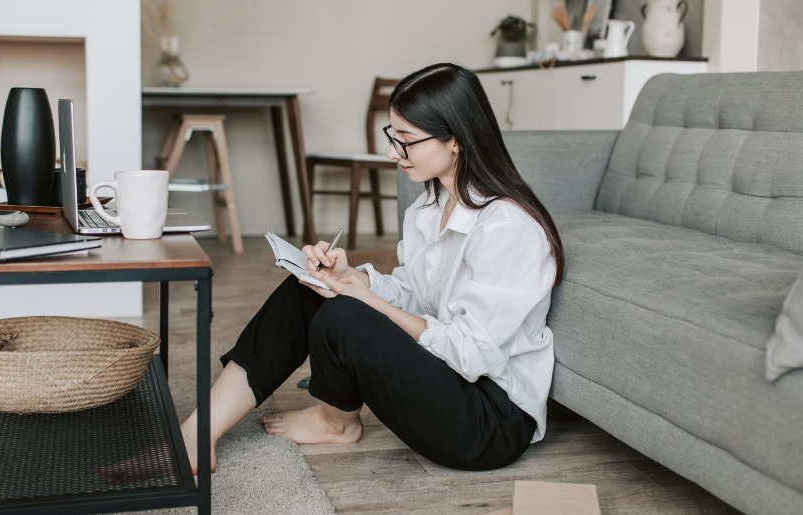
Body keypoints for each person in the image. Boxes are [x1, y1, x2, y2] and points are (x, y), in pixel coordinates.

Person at [181, 62, 565, 474]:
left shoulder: (507, 228)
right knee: (309, 287)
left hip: (489, 421)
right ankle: (198, 431)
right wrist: (350, 277)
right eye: (392, 136)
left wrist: (366, 302)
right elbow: (417, 297)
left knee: (347, 314)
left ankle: (336, 421)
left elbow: (471, 354)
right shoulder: (427, 208)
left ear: (455, 139)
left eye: (406, 140)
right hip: (449, 378)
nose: (391, 152)